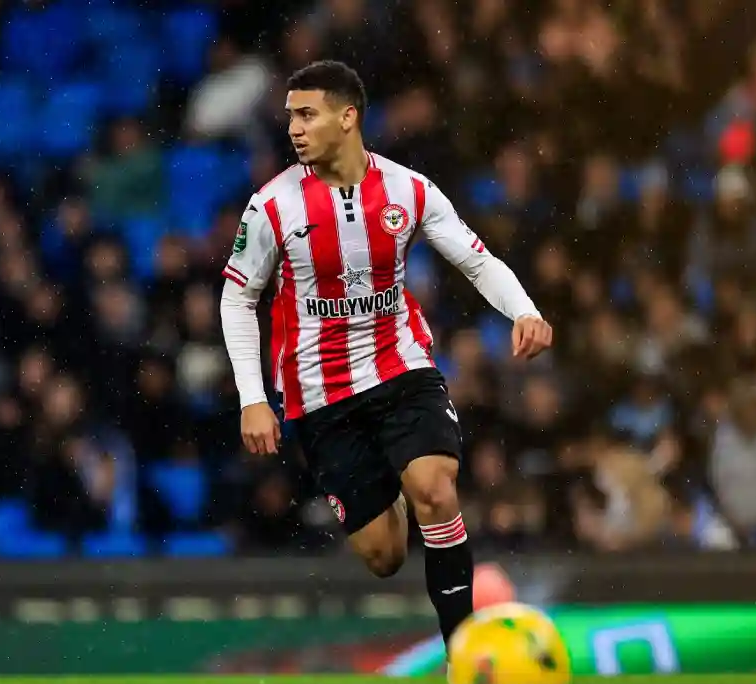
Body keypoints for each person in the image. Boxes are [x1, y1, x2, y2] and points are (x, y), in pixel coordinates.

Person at [219, 61, 552, 649]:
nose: (293, 128)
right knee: (383, 555)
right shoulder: (271, 207)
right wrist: (252, 398)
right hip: (319, 393)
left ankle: (463, 656)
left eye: (306, 114)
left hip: (401, 366)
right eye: (290, 116)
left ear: (348, 118)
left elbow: (474, 258)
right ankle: (391, 484)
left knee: (436, 489)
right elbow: (237, 298)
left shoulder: (408, 189)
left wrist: (523, 310)